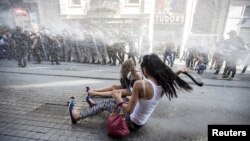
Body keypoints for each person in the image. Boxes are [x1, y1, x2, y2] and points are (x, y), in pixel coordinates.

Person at [68, 53, 192, 131]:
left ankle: (78, 116)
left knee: (107, 103)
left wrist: (118, 98)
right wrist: (178, 71)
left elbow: (128, 110)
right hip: (141, 122)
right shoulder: (164, 83)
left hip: (131, 123)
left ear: (146, 69)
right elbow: (171, 77)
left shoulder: (140, 84)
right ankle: (94, 107)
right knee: (117, 101)